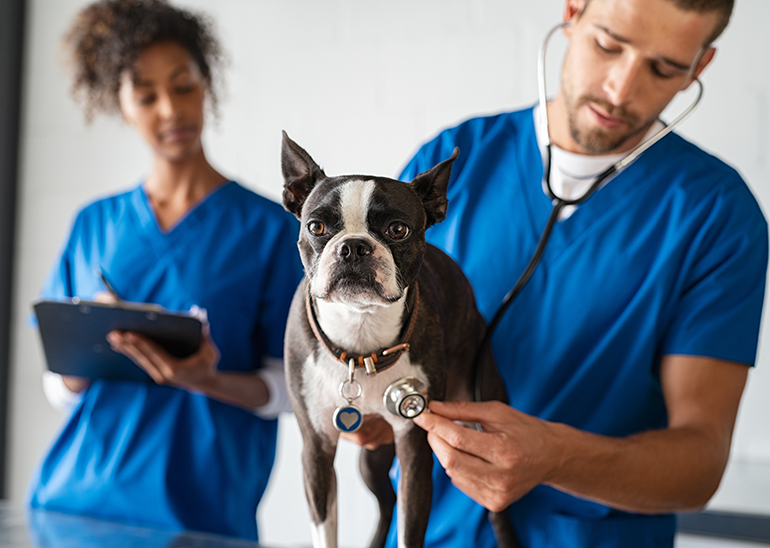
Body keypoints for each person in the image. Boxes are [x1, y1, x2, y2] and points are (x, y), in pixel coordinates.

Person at [346, 0, 767, 546]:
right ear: (572, 11)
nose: (620, 88)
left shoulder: (716, 214)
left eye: (663, 68)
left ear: (699, 68)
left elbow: (699, 463)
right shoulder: (453, 163)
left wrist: (557, 458)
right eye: (608, 44)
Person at [26, 0, 303, 541]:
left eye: (182, 86)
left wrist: (207, 380)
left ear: (207, 85)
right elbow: (61, 386)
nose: (170, 110)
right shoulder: (95, 224)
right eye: (146, 95)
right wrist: (90, 346)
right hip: (72, 508)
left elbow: (292, 390)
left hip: (199, 518)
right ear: (121, 105)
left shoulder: (270, 230)